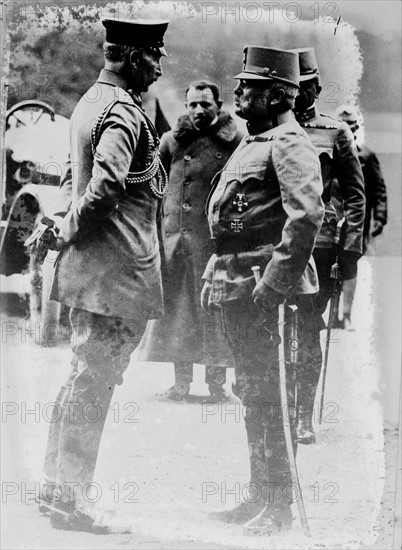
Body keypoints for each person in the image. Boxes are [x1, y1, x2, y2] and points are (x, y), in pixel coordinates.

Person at [38, 18, 170, 533]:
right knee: (93, 384)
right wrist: (68, 229)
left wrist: (63, 228)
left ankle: (55, 490)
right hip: (116, 276)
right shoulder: (120, 112)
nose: (159, 68)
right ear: (134, 57)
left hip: (96, 274)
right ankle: (71, 501)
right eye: (155, 57)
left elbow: (78, 178)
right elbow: (104, 189)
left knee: (81, 378)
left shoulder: (92, 102)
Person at [202, 46, 324, 534]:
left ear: (277, 94)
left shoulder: (289, 142)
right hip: (237, 279)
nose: (237, 93)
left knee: (271, 394)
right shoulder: (257, 139)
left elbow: (306, 216)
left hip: (263, 287)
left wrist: (274, 285)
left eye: (247, 87)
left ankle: (280, 510)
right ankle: (259, 496)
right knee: (252, 390)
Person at [136, 80, 242, 401]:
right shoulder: (171, 141)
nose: (198, 110)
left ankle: (216, 386)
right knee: (179, 313)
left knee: (213, 312)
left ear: (218, 106)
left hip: (212, 245)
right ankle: (181, 383)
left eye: (205, 105)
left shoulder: (235, 141)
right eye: (193, 104)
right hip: (176, 244)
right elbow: (155, 186)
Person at [292, 48, 365, 443]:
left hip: (319, 247)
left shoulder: (335, 132)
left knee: (306, 329)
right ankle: (276, 407)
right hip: (274, 244)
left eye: (305, 86)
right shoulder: (271, 129)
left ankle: (303, 415)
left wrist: (349, 247)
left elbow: (356, 195)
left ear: (317, 88)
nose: (297, 93)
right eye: (292, 86)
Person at [335, 105, 388, 328]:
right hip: (331, 220)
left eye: (352, 125)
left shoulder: (366, 155)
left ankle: (345, 315)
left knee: (350, 264)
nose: (348, 128)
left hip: (358, 221)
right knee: (329, 264)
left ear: (357, 127)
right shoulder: (326, 153)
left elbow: (378, 189)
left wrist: (380, 217)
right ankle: (327, 315)